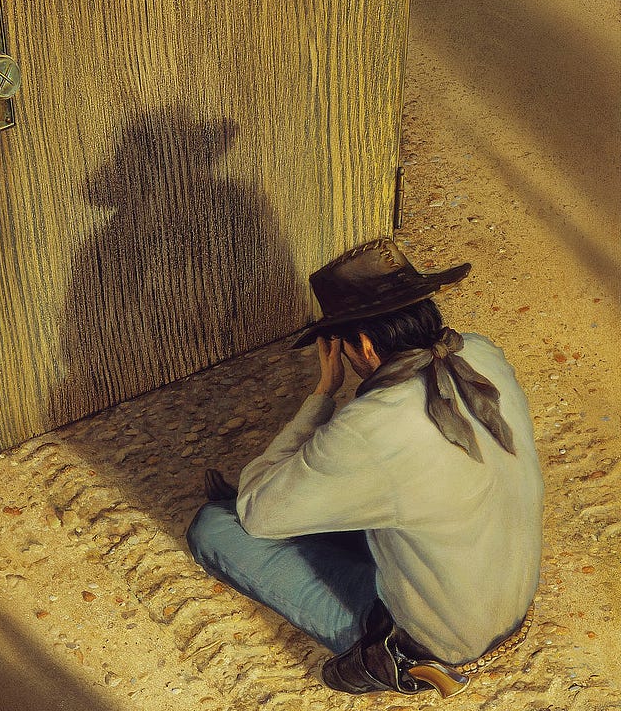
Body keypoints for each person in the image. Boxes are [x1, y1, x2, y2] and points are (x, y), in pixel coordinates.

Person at [186, 238, 544, 698]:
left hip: (445, 637)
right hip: (505, 601)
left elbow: (257, 511)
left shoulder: (370, 424)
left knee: (216, 526)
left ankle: (400, 661)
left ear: (366, 345)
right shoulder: (482, 353)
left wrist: (323, 394)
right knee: (379, 502)